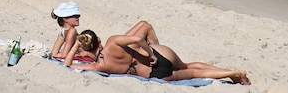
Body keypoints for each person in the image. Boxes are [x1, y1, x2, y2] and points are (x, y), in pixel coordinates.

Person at [64, 24, 250, 84]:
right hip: (157, 53)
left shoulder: (99, 66)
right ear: (99, 41)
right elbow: (137, 39)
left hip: (153, 73)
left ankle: (233, 74)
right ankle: (231, 73)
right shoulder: (112, 41)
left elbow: (68, 65)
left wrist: (73, 48)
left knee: (193, 73)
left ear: (86, 49)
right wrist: (150, 54)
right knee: (189, 66)